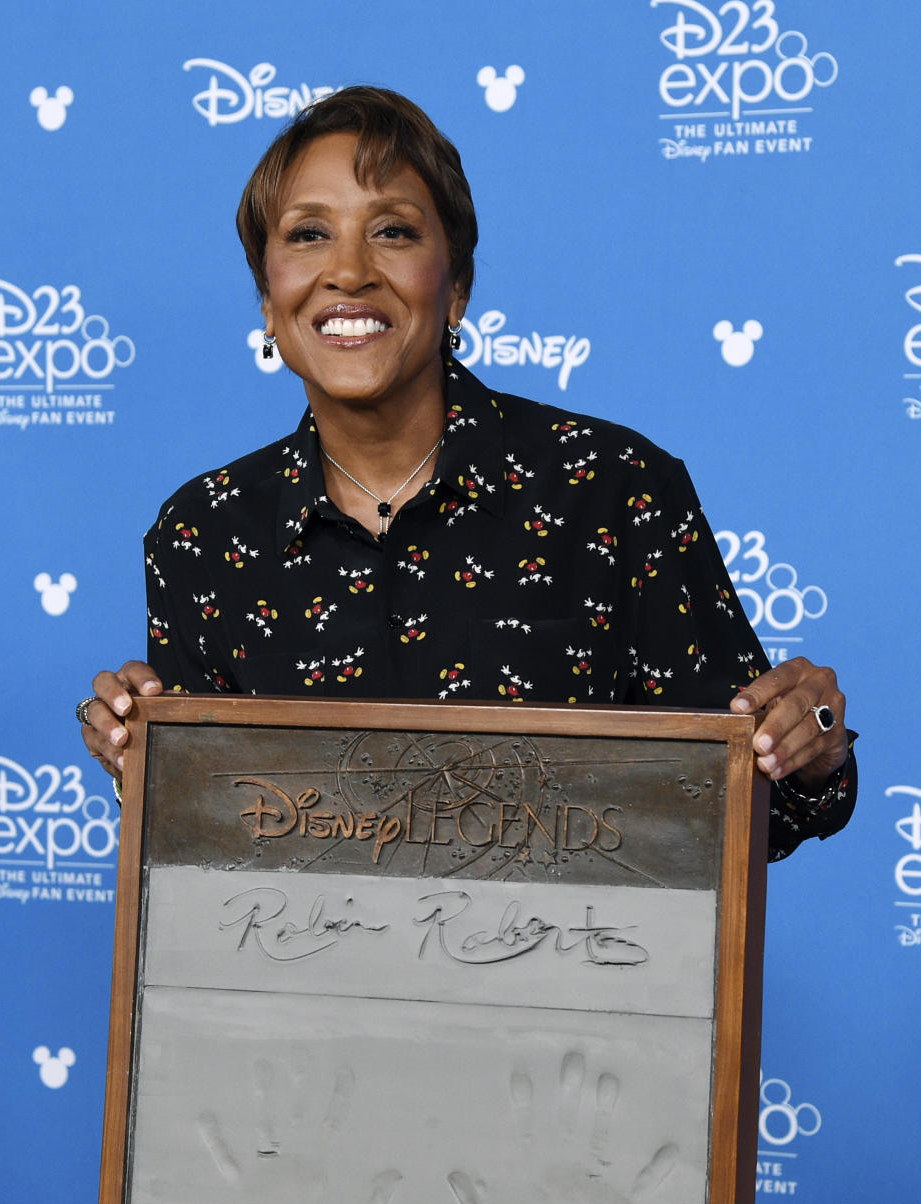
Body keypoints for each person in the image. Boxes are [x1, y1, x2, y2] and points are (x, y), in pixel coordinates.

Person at [78, 87, 854, 860]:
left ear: (457, 289)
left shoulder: (614, 489)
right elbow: (212, 855)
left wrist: (810, 751)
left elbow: (750, 813)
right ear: (268, 301)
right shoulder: (202, 534)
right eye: (309, 234)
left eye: (393, 231)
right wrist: (144, 767)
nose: (348, 271)